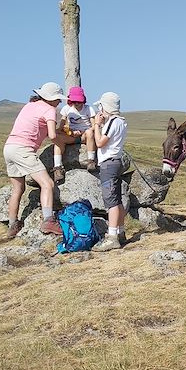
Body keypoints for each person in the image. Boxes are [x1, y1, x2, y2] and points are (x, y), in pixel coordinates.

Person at [3, 82, 65, 238]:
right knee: (48, 183)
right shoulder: (50, 110)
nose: (60, 101)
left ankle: (12, 225)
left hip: (9, 147)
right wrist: (64, 143)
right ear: (50, 98)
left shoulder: (30, 105)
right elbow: (52, 135)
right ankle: (48, 221)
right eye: (58, 98)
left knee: (18, 189)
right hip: (23, 150)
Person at [91, 92, 128, 251]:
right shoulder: (121, 122)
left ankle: (112, 237)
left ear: (105, 107)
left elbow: (100, 142)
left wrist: (96, 126)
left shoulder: (113, 122)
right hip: (116, 162)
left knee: (111, 201)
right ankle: (120, 231)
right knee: (117, 199)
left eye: (100, 106)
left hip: (109, 164)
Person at [52, 86, 98, 183]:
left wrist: (82, 132)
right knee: (57, 139)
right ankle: (57, 168)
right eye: (74, 101)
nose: (77, 104)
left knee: (90, 132)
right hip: (71, 136)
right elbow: (61, 128)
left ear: (83, 100)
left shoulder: (88, 109)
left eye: (79, 101)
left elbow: (94, 126)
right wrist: (69, 132)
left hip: (85, 135)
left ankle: (91, 161)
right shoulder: (66, 109)